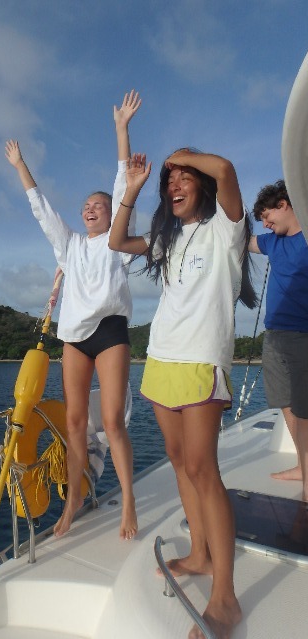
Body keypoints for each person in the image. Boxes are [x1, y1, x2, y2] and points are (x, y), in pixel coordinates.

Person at [109, 149, 258, 639]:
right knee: (178, 461)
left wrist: (182, 154)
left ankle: (226, 598)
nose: (173, 184)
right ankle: (199, 554)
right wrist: (132, 190)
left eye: (183, 178)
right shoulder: (166, 239)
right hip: (160, 360)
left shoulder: (225, 228)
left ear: (202, 185)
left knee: (202, 468)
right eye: (168, 180)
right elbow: (116, 240)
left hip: (201, 362)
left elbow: (227, 170)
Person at [5, 90, 141, 540]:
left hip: (111, 330)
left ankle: (129, 503)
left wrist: (121, 129)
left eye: (98, 206)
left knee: (114, 420)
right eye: (86, 206)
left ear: (111, 214)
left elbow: (122, 185)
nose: (89, 209)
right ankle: (74, 501)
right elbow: (41, 209)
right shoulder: (70, 246)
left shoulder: (117, 241)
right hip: (75, 338)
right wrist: (20, 165)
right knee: (76, 423)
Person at [249, 180, 308, 500]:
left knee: (304, 409)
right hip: (273, 336)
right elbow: (242, 241)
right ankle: (303, 465)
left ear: (283, 204)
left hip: (303, 335)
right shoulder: (272, 242)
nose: (265, 224)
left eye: (266, 215)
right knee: (286, 405)